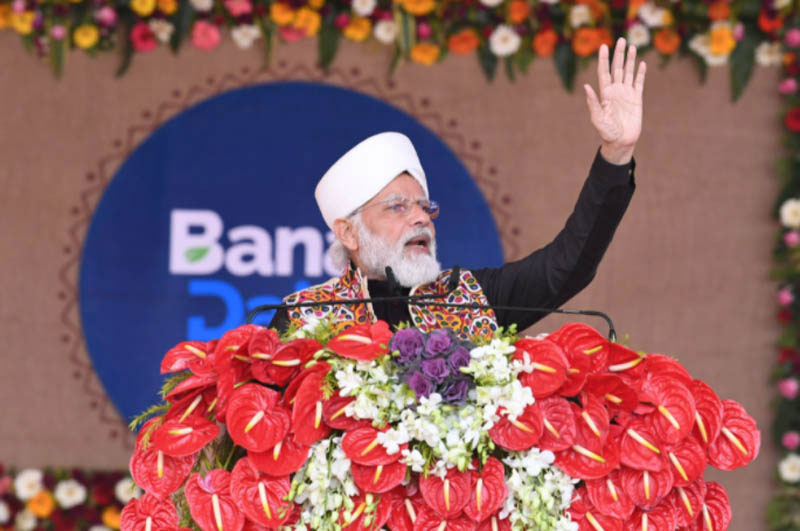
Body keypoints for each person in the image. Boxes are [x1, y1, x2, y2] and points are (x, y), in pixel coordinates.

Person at [268, 37, 646, 339]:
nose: (421, 218)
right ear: (348, 232)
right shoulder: (303, 319)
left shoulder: (469, 297)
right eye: (397, 207)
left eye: (424, 206)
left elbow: (567, 266)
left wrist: (616, 154)